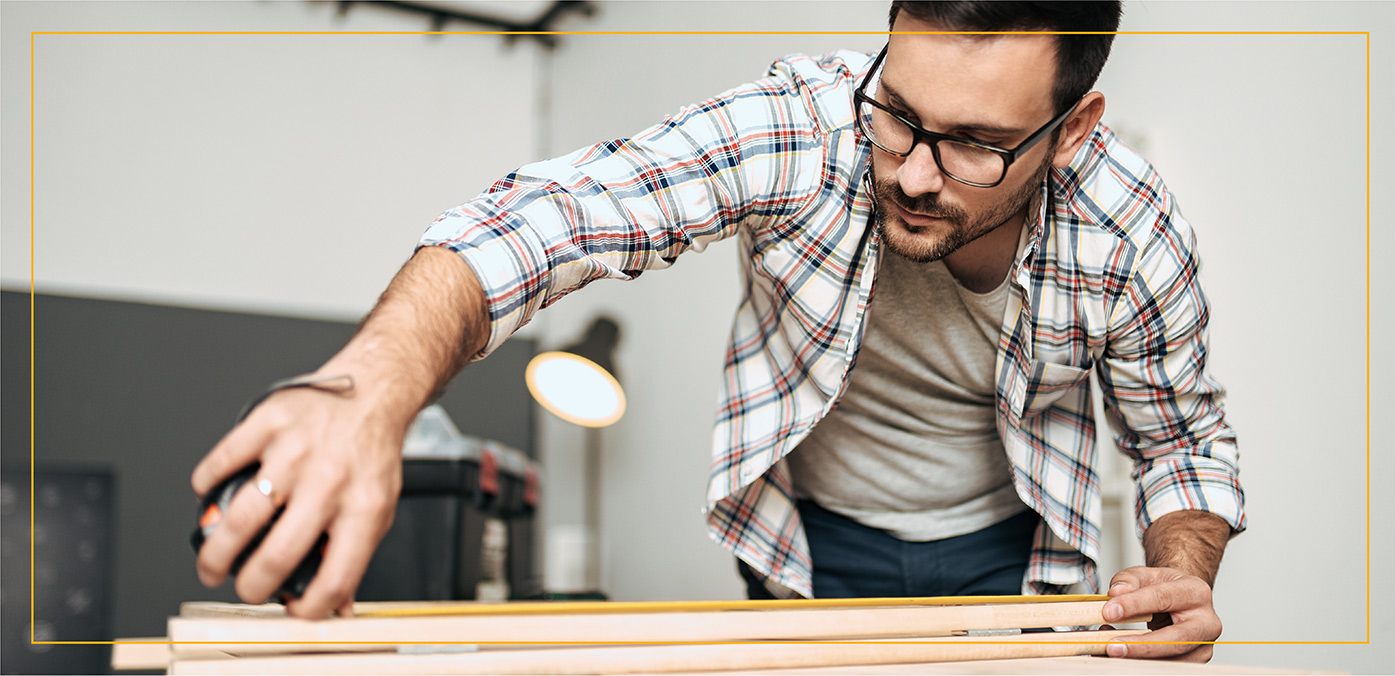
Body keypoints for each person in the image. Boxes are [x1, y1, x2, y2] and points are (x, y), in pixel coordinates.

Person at [191, 0, 1244, 662]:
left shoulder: (1132, 230)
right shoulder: (806, 126)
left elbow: (1183, 442)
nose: (914, 172)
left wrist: (1183, 570)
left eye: (974, 145)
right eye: (902, 113)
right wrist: (367, 389)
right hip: (806, 546)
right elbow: (555, 216)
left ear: (1072, 130)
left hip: (1011, 559)